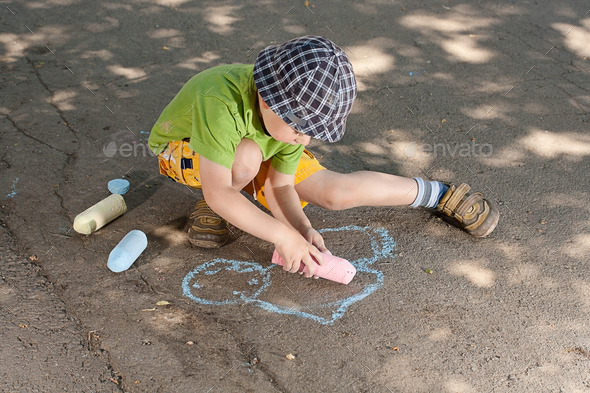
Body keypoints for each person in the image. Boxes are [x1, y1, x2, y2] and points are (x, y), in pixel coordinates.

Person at [148, 36, 499, 278]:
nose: (306, 138)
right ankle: (213, 213)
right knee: (245, 158)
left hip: (261, 146)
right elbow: (219, 189)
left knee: (335, 193)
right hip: (187, 152)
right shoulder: (220, 100)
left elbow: (280, 185)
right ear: (271, 101)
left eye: (313, 131)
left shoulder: (287, 122)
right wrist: (280, 237)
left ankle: (437, 193)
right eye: (302, 129)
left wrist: (300, 228)